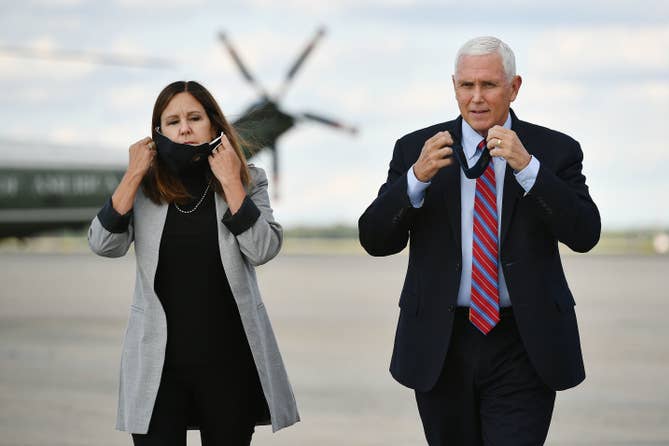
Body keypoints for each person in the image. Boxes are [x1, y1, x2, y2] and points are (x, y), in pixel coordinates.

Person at [358, 36, 600, 445]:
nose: (476, 98)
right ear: (454, 86)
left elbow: (584, 234)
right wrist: (415, 180)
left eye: (488, 85)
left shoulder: (554, 150)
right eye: (466, 86)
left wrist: (529, 170)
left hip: (524, 340)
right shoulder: (418, 149)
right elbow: (376, 239)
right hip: (442, 340)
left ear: (514, 87)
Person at [88, 80, 299, 445]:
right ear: (158, 132)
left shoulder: (249, 179)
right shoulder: (143, 186)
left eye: (194, 117)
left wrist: (232, 181)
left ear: (214, 124)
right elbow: (104, 244)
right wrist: (133, 174)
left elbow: (263, 249)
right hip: (157, 364)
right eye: (172, 121)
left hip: (229, 362)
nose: (184, 128)